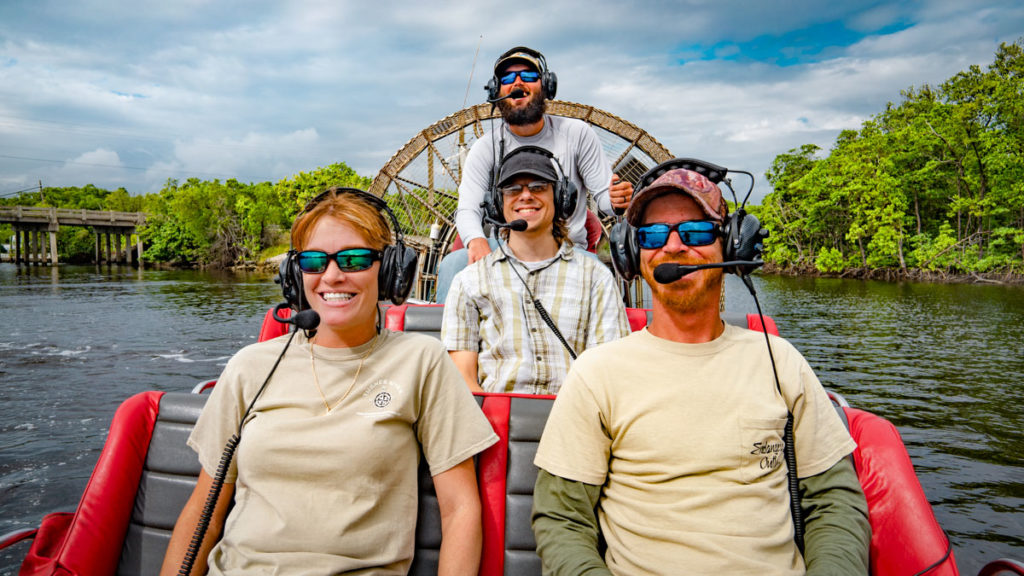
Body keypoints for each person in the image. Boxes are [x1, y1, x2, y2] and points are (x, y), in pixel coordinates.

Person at [531, 169, 871, 575]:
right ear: (630, 254)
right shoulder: (596, 373)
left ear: (731, 243)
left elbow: (834, 500)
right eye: (652, 236)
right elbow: (562, 520)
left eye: (694, 232)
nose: (673, 246)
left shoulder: (780, 360)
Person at [161, 188, 498, 576]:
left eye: (354, 259)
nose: (333, 276)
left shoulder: (422, 360)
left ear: (390, 271)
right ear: (294, 274)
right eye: (314, 261)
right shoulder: (250, 367)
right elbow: (204, 509)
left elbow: (460, 510)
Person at [441, 146, 629, 395]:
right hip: (496, 423)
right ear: (497, 205)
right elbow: (463, 382)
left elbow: (607, 374)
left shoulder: (596, 278)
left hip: (576, 419)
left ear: (562, 198)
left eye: (539, 187)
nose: (526, 196)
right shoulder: (469, 281)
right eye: (513, 189)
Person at [450, 45, 634, 268]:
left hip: (569, 250)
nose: (518, 82)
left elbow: (604, 198)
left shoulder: (577, 134)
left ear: (547, 85)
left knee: (600, 273)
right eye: (507, 78)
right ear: (496, 92)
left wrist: (616, 199)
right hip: (507, 250)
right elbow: (468, 208)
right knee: (454, 264)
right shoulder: (485, 147)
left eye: (528, 75)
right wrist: (476, 240)